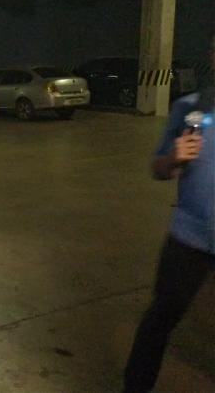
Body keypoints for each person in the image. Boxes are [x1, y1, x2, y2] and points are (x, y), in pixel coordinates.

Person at [123, 80, 215, 392]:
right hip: (189, 237)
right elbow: (157, 169)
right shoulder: (190, 108)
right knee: (159, 319)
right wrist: (174, 158)